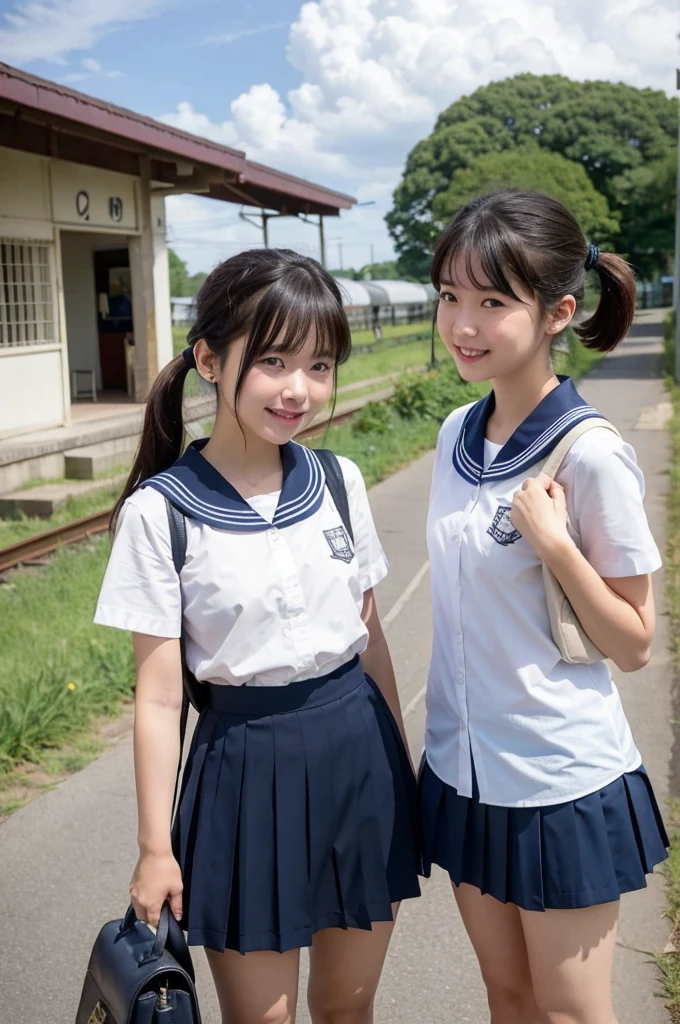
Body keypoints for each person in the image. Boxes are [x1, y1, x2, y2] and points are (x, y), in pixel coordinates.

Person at [94, 249, 420, 1024]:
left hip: (360, 761)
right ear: (209, 358)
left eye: (320, 363)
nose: (299, 388)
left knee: (348, 1006)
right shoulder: (160, 512)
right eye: (272, 361)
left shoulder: (339, 479)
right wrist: (153, 848)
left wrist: (399, 769)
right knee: (262, 1019)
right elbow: (159, 694)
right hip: (243, 771)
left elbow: (371, 640)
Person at [419, 189, 668, 1024]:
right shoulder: (457, 432)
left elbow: (634, 642)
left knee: (570, 1015)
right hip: (463, 771)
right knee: (508, 996)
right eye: (451, 296)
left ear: (559, 311)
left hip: (558, 783)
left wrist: (556, 546)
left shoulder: (594, 454)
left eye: (493, 302)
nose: (464, 324)